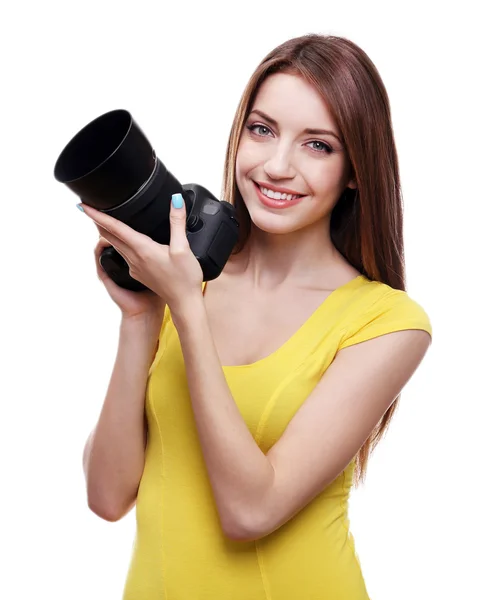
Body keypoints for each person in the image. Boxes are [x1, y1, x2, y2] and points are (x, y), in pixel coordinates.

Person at [80, 33, 432, 600]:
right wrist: (142, 317)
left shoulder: (386, 322)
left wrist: (188, 309)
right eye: (261, 130)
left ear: (357, 171)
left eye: (318, 145)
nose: (277, 165)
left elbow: (249, 511)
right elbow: (107, 497)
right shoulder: (182, 278)